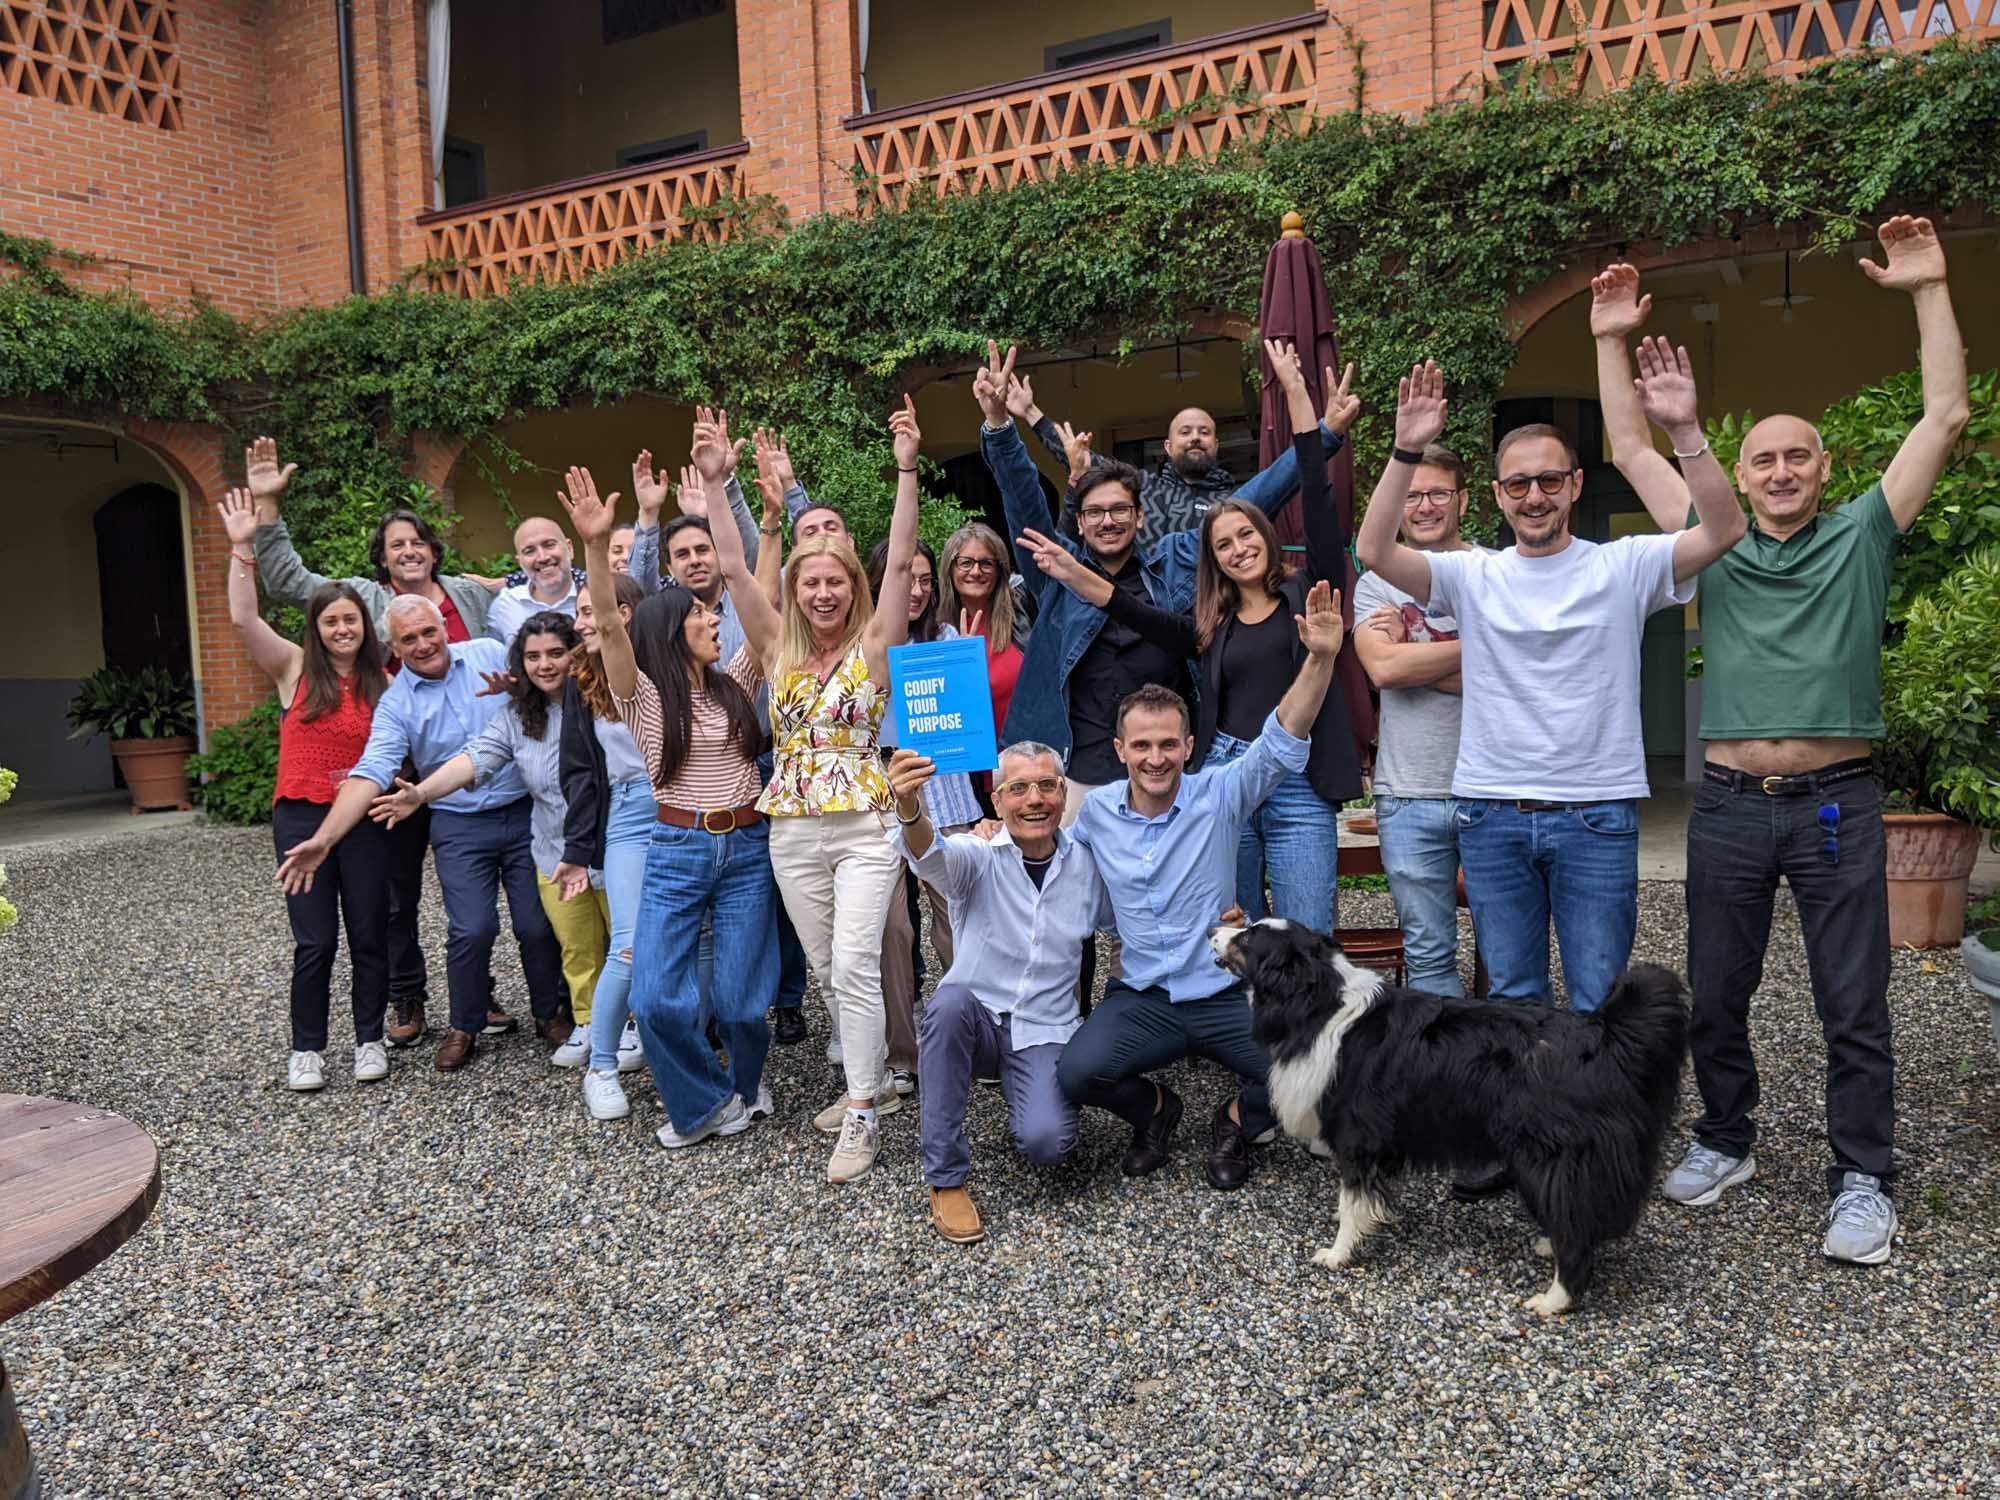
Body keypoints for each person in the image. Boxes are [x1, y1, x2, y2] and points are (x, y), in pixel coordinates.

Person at [1597, 222, 1968, 1266]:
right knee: (1715, 991)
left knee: (1851, 999)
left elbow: (1942, 413)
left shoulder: (1861, 531)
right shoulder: (1711, 539)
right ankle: (1725, 1139)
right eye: (1758, 457)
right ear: (1742, 472)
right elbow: (1630, 447)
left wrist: (1927, 287)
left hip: (1837, 803)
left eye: (1792, 455)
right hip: (1724, 804)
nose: (1774, 472)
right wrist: (1608, 338)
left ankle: (1861, 1175)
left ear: (1822, 466)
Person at [1355, 354, 1746, 1017]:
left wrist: (1684, 431)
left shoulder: (1623, 566)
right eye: (1518, 484)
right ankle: (1527, 1123)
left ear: (1573, 484)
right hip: (1491, 816)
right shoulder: (1473, 576)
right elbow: (1374, 552)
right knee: (1513, 1005)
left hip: (1595, 813)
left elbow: (1726, 530)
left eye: (1548, 480)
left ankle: (1599, 1124)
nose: (1534, 496)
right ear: (1499, 494)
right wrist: (1405, 451)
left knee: (1599, 1003)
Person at [1015, 341, 1362, 933]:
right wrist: (1074, 568)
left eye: (1247, 537)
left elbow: (1309, 498)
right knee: (1234, 935)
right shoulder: (1207, 621)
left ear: (1268, 538)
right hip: (1224, 775)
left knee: (1307, 940)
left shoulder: (1310, 594)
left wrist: (1308, 413)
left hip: (1297, 782)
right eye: (1223, 544)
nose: (1239, 548)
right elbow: (1137, 609)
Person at [1047, 582, 1345, 1190]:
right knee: (1077, 1072)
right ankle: (1157, 1111)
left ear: (1187, 747)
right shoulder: (1096, 813)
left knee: (1313, 1063)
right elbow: (1045, 860)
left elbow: (1281, 739)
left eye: (1167, 745)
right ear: (1120, 750)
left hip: (1223, 990)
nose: (1155, 759)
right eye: (1141, 746)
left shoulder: (1218, 795)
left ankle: (1237, 1119)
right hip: (1145, 996)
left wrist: (1320, 657)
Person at [700, 400, 922, 1182]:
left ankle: (861, 1111)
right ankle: (875, 1085)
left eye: (835, 581)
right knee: (830, 970)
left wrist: (904, 469)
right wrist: (717, 482)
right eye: (811, 582)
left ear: (851, 585)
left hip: (865, 822)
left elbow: (900, 560)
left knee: (858, 960)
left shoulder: (874, 644)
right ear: (795, 590)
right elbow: (731, 568)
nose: (824, 593)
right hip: (793, 826)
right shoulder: (777, 647)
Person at [244, 436, 495, 1047]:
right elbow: (284, 579)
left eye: (417, 542)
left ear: (433, 551)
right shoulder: (364, 600)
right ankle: (407, 997)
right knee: (392, 895)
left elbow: (538, 598)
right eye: (395, 545)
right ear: (381, 559)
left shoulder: (468, 593)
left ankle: (477, 994)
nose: (408, 551)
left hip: (475, 766)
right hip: (397, 771)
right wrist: (268, 509)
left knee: (479, 895)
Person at [561, 458, 778, 1149]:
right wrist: (596, 547)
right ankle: (706, 1103)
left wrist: (769, 525)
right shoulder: (645, 699)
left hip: (747, 848)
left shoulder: (735, 682)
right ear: (672, 629)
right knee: (656, 997)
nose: (715, 619)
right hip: (677, 849)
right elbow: (609, 626)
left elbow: (759, 596)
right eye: (701, 615)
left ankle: (744, 1087)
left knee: (745, 1004)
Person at [273, 595, 569, 1071]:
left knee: (537, 922)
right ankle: (465, 1024)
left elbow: (552, 678)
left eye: (429, 631)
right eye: (409, 638)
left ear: (444, 627)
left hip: (523, 812)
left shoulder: (490, 654)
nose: (423, 644)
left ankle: (550, 1014)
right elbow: (370, 770)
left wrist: (518, 688)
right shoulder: (396, 703)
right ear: (393, 645)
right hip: (456, 820)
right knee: (472, 927)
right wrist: (325, 839)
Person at [368, 612, 618, 1084]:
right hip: (544, 844)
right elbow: (474, 757)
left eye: (555, 654)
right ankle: (576, 1024)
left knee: (605, 941)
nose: (545, 665)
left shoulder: (605, 702)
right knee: (560, 944)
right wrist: (420, 794)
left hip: (608, 845)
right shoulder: (516, 717)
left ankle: (612, 1023)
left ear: (575, 654)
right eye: (533, 656)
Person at [885, 742, 1114, 1244]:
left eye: (1047, 785)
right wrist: (909, 807)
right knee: (948, 1003)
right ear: (996, 800)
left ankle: (1026, 1095)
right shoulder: (978, 855)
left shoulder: (1089, 865)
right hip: (977, 1023)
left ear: (1062, 793)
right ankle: (945, 1177)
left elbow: (1139, 917)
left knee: (1048, 1144)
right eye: (1018, 789)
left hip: (1045, 1029)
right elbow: (930, 854)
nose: (1035, 799)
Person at [217, 487, 394, 1091]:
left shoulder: (387, 682)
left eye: (350, 619)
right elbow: (243, 618)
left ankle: (370, 1038)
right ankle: (308, 1049)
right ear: (316, 628)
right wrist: (243, 548)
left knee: (371, 931)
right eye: (331, 620)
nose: (342, 628)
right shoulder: (293, 668)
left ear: (364, 627)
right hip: (300, 819)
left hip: (366, 822)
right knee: (314, 940)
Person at [1351, 443, 1484, 997]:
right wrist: (1486, 650)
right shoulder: (1378, 583)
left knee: (1507, 952)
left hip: (1493, 789)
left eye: (1437, 493)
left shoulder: (1498, 571)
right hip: (1407, 794)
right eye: (1412, 495)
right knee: (1429, 957)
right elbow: (1382, 668)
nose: (1424, 505)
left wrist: (1416, 658)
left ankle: (1507, 1078)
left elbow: (1524, 679)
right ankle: (1447, 1082)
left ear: (1464, 499)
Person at [870, 538, 982, 1096]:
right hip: (877, 804)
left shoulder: (947, 639)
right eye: (904, 579)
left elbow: (965, 724)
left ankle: (975, 1036)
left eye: (923, 580)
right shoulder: (860, 644)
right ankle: (902, 1055)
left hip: (948, 798)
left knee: (957, 925)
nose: (915, 590)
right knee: (891, 930)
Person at [1006, 363, 1348, 543]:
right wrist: (1032, 414)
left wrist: (1327, 432)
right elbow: (1078, 457)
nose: (1195, 438)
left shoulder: (1236, 503)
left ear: (1216, 445)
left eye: (1204, 432)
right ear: (1167, 447)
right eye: (1185, 432)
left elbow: (1284, 476)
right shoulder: (1141, 487)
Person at [553, 571, 654, 1109]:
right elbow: (578, 772)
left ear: (625, 612)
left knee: (699, 939)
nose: (579, 622)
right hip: (631, 812)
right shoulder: (580, 678)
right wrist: (576, 851)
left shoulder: (665, 664)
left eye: (590, 612)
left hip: (685, 805)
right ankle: (603, 1066)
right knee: (631, 943)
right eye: (579, 611)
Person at [935, 520, 1034, 811]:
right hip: (963, 784)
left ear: (1000, 570)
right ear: (950, 569)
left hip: (1022, 772)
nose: (975, 571)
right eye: (965, 562)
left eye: (986, 563)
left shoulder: (1024, 615)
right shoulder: (932, 630)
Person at [487, 517, 581, 643]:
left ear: (569, 549)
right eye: (529, 551)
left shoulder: (593, 599)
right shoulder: (505, 604)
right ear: (520, 562)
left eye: (549, 545)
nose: (542, 557)